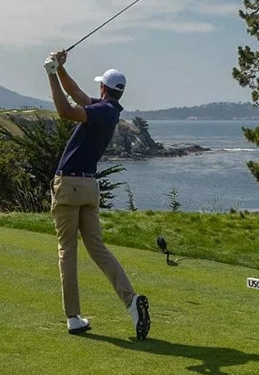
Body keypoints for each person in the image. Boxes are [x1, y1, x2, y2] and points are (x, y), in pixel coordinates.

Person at [43, 49, 150, 340]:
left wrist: (50, 74)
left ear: (103, 88)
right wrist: (61, 69)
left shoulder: (101, 111)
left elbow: (65, 111)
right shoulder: (108, 110)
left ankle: (74, 318)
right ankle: (131, 303)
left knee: (67, 250)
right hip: (89, 187)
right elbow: (76, 94)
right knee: (97, 248)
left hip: (69, 185)